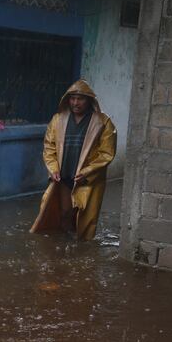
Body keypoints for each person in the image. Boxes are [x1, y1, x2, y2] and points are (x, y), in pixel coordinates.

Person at [30, 80, 117, 240]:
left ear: (89, 100)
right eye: (73, 98)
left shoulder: (103, 123)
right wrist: (53, 168)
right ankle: (65, 248)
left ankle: (80, 249)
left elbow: (106, 153)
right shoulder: (58, 120)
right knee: (64, 212)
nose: (76, 103)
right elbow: (49, 147)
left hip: (88, 180)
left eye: (81, 99)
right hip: (64, 177)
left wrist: (87, 172)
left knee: (84, 216)